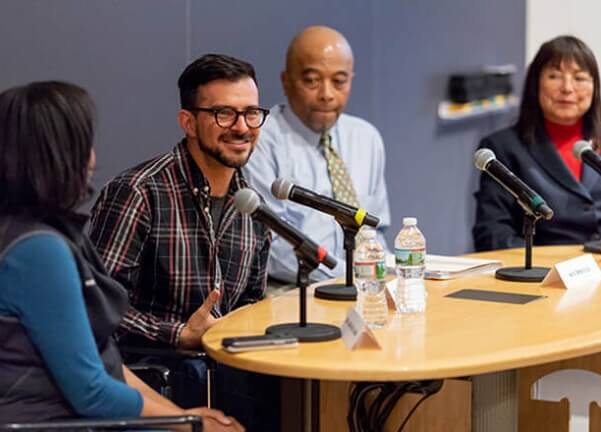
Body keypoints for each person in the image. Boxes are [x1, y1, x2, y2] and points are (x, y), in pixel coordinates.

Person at [0, 81, 243, 431]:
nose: (93, 158)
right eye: (85, 144)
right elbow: (93, 394)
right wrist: (188, 424)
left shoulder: (35, 234)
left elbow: (103, 362)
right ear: (58, 155)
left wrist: (185, 417)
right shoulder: (38, 251)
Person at [89, 54, 277, 429]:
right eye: (224, 114)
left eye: (251, 113)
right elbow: (94, 312)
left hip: (227, 380)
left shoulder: (254, 208)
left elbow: (250, 305)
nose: (242, 127)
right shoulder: (139, 193)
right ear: (188, 122)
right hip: (150, 385)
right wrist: (180, 334)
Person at [243, 25, 391, 283]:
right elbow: (272, 247)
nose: (326, 94)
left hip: (363, 286)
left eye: (339, 81)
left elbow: (373, 233)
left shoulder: (366, 138)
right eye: (312, 80)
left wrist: (392, 276)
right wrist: (346, 279)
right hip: (292, 289)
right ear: (286, 82)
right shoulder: (261, 139)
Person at [473, 35, 601, 251]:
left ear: (594, 87)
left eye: (580, 78)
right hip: (549, 277)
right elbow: (492, 233)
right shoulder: (503, 148)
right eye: (554, 76)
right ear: (535, 84)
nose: (567, 88)